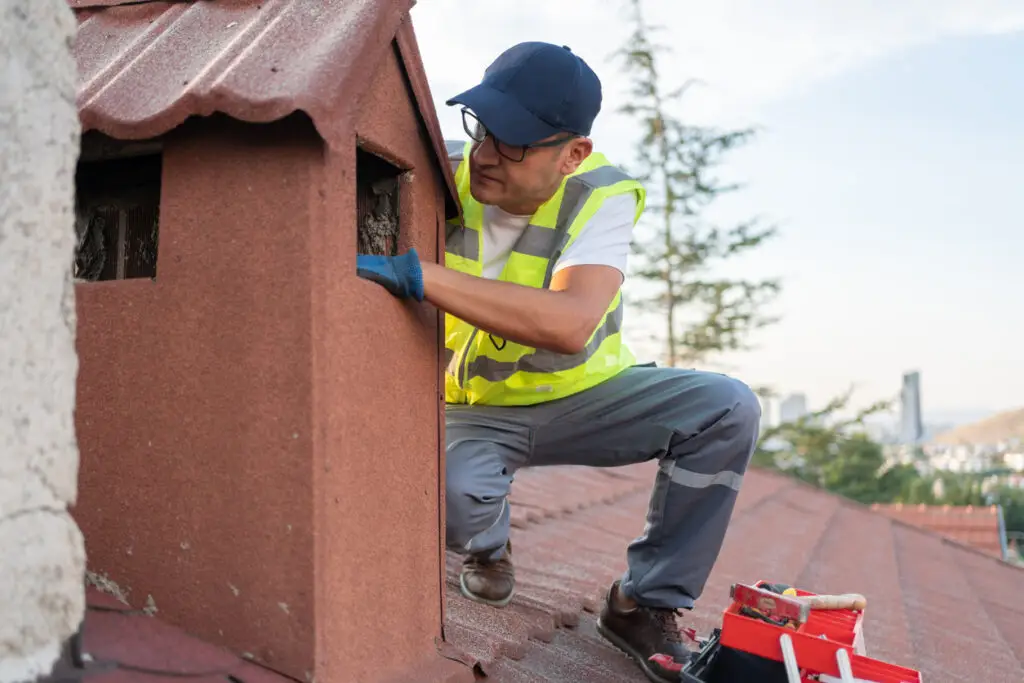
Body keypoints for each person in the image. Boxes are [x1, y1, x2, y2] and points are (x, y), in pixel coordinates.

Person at [355, 41, 761, 683]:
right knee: (456, 503)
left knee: (727, 408)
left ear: (573, 155)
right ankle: (490, 541)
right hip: (477, 410)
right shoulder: (441, 174)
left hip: (584, 398)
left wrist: (423, 276)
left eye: (514, 141)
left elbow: (570, 325)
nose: (487, 154)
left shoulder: (602, 196)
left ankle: (642, 603)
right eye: (484, 127)